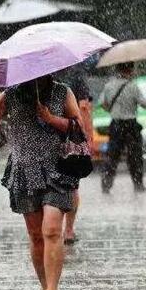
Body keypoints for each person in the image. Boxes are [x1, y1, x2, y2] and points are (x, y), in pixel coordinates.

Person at [0, 75, 83, 290]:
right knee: (36, 236)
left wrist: (50, 118)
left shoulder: (63, 92)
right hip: (25, 171)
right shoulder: (12, 93)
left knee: (51, 230)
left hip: (58, 169)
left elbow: (78, 126)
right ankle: (44, 289)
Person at [99, 62, 146, 193]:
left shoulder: (109, 86)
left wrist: (114, 109)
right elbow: (145, 104)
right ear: (130, 70)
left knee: (112, 156)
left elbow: (103, 104)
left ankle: (106, 185)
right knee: (135, 157)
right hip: (131, 125)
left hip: (116, 125)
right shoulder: (133, 87)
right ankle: (138, 185)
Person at [61, 68, 94, 245]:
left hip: (46, 135)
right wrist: (88, 136)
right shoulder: (76, 74)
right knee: (72, 184)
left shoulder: (42, 71)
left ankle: (50, 228)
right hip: (70, 135)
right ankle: (68, 230)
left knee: (48, 183)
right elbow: (83, 107)